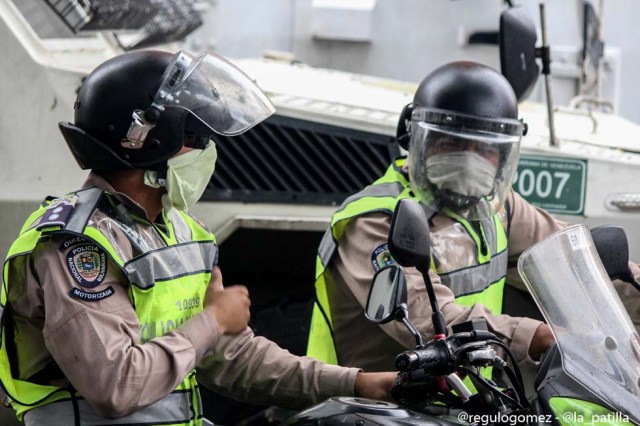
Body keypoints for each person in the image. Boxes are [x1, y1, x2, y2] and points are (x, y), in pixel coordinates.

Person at [0, 49, 396, 425]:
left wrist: (356, 384)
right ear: (150, 141)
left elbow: (233, 358)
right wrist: (213, 319)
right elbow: (115, 384)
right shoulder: (75, 247)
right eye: (196, 136)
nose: (206, 149)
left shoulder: (184, 231)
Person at [306, 61, 558, 375]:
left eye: (485, 147)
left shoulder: (496, 207)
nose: (468, 158)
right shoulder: (377, 221)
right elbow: (434, 322)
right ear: (416, 140)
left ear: (502, 156)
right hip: (376, 406)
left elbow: (568, 259)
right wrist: (538, 337)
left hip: (472, 397)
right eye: (451, 142)